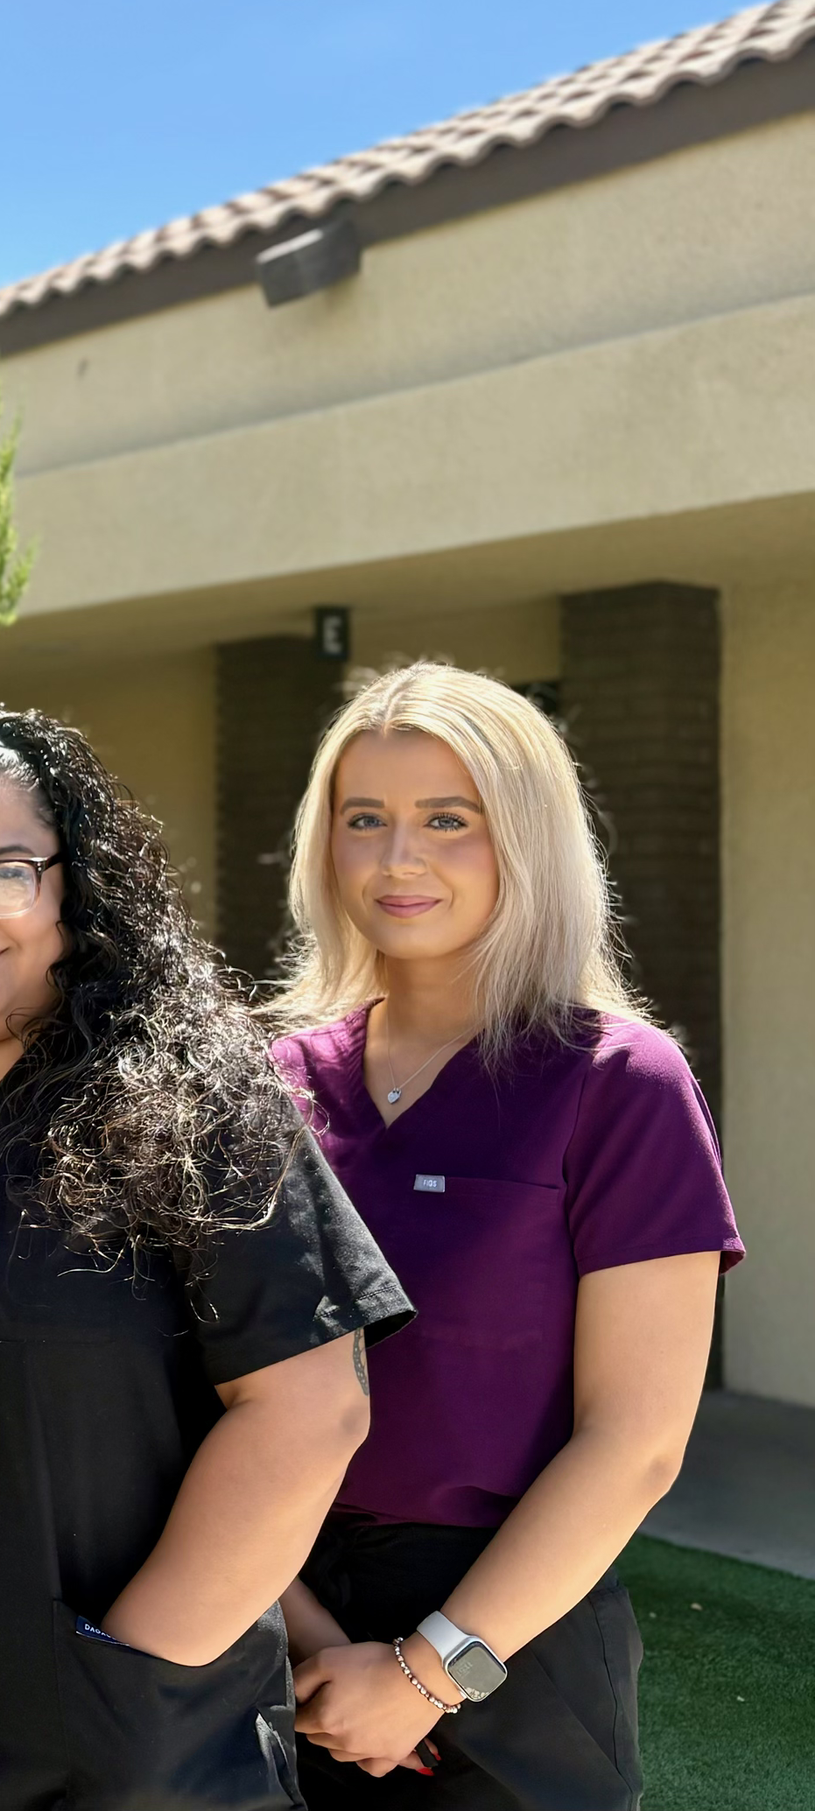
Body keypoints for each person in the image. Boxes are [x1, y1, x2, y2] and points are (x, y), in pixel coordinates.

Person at [0, 707, 413, 1811]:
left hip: (125, 1759)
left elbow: (308, 1413)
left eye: (2, 874)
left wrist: (130, 1668)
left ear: (73, 885)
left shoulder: (201, 1106)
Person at [267, 663, 742, 1809]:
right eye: (363, 820)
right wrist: (301, 1632)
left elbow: (633, 1443)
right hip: (265, 1626)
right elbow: (204, 1389)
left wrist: (426, 1675)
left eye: (448, 821)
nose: (397, 859)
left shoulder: (620, 1083)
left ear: (526, 839)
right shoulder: (265, 1084)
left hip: (508, 1645)